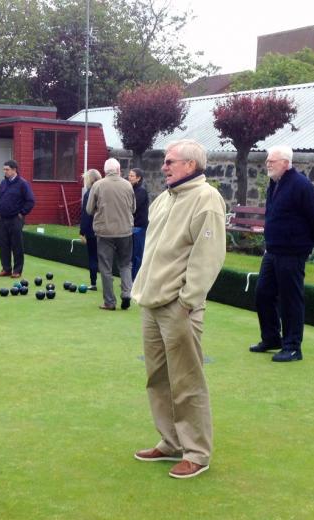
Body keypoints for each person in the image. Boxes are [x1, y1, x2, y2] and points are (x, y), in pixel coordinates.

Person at [131, 139, 226, 479]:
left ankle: (197, 452)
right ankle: (170, 442)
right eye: (165, 161)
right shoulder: (163, 199)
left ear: (190, 165)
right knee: (157, 377)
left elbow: (208, 257)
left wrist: (189, 300)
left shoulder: (206, 199)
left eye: (171, 161)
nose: (164, 166)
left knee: (187, 380)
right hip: (151, 303)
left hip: (179, 306)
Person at [250, 145, 314, 362]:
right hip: (273, 250)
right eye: (268, 161)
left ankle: (293, 346)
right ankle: (272, 338)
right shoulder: (274, 184)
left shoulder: (301, 185)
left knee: (290, 299)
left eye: (271, 161)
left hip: (292, 252)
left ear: (285, 162)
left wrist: (308, 244)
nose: (268, 164)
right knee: (263, 294)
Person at [86, 158, 135, 310]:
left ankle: (109, 302)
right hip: (125, 231)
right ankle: (126, 293)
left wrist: (100, 212)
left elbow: (89, 209)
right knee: (125, 264)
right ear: (119, 170)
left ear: (105, 171)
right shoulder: (128, 185)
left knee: (106, 268)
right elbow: (133, 208)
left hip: (104, 232)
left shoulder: (98, 185)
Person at [0, 160, 35, 278]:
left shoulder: (23, 184)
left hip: (15, 219)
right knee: (3, 244)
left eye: (7, 169)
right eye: (4, 169)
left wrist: (22, 213)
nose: (5, 171)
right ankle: (6, 269)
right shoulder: (3, 183)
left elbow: (30, 201)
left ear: (14, 170)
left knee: (17, 245)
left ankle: (17, 270)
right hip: (3, 218)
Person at [79, 169, 102, 290]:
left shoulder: (89, 193)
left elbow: (86, 214)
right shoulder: (105, 190)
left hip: (93, 230)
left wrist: (82, 232)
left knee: (93, 256)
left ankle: (93, 283)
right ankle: (106, 282)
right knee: (104, 257)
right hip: (105, 229)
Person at [128, 168, 150, 279]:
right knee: (129, 255)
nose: (129, 177)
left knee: (137, 256)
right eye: (129, 175)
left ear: (138, 178)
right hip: (130, 227)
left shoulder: (141, 191)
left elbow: (133, 207)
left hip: (138, 227)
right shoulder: (130, 190)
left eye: (132, 176)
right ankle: (129, 280)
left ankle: (135, 280)